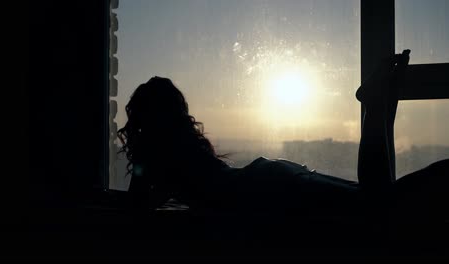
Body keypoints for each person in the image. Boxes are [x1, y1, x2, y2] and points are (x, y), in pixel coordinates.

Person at [118, 50, 448, 212]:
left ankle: (377, 104)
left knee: (377, 207)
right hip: (271, 179)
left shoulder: (162, 156)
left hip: (268, 191)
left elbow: (138, 208)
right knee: (379, 201)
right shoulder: (185, 149)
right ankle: (379, 103)